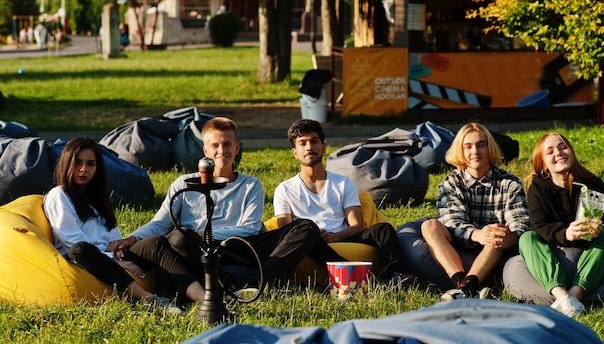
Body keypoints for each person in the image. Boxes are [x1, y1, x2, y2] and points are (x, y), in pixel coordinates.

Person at [119, 117, 339, 291]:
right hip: (196, 248)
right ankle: (234, 282)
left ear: (236, 148)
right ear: (205, 151)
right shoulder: (184, 183)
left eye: (227, 144)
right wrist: (133, 238)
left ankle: (256, 282)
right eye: (214, 146)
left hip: (240, 246)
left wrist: (206, 233)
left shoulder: (251, 185)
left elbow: (251, 227)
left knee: (306, 227)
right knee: (180, 236)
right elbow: (159, 224)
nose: (221, 150)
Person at [44, 137, 206, 313]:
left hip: (111, 255)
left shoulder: (95, 197)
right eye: (78, 163)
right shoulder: (59, 195)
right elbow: (71, 241)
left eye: (90, 164)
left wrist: (119, 250)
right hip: (87, 258)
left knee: (156, 243)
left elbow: (112, 234)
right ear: (66, 163)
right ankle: (151, 300)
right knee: (80, 249)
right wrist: (112, 261)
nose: (84, 169)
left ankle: (204, 297)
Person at [273, 119, 415, 286]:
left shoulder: (342, 183)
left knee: (383, 229)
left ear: (324, 147)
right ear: (295, 152)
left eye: (314, 141)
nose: (309, 147)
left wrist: (335, 237)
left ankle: (395, 277)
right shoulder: (284, 189)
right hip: (308, 240)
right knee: (307, 236)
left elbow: (357, 225)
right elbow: (285, 233)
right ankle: (352, 277)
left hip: (342, 236)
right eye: (302, 143)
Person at [397, 122, 529, 300]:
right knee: (430, 226)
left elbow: (520, 224)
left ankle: (467, 288)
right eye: (468, 146)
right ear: (460, 151)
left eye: (481, 145)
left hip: (494, 249)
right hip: (460, 243)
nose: (475, 151)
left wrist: (507, 236)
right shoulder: (451, 182)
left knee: (496, 235)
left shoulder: (510, 183)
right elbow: (451, 222)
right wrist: (477, 234)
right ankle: (461, 282)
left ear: (490, 148)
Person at [517, 133, 604, 317]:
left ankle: (574, 295)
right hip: (553, 246)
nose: (559, 153)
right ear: (543, 163)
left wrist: (596, 228)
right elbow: (538, 225)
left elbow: (603, 222)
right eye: (550, 151)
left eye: (563, 146)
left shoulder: (592, 183)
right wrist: (566, 234)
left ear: (571, 150)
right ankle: (560, 294)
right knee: (527, 238)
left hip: (586, 249)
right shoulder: (538, 187)